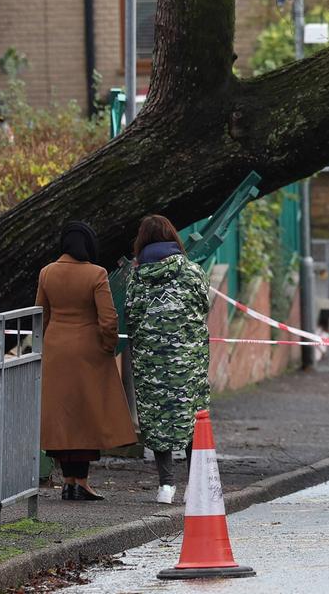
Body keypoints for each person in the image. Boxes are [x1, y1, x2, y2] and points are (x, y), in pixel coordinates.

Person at [36, 221, 136, 501]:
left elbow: (41, 314)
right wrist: (108, 346)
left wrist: (45, 346)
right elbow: (108, 318)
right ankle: (81, 481)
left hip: (56, 349)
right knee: (87, 418)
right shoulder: (96, 274)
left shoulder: (47, 273)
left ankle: (68, 481)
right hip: (89, 351)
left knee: (63, 418)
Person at [123, 214, 212, 505]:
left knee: (157, 417)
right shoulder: (193, 271)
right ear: (173, 236)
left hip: (151, 362)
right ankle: (196, 485)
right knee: (192, 417)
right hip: (189, 360)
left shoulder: (137, 276)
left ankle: (166, 486)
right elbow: (203, 307)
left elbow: (131, 317)